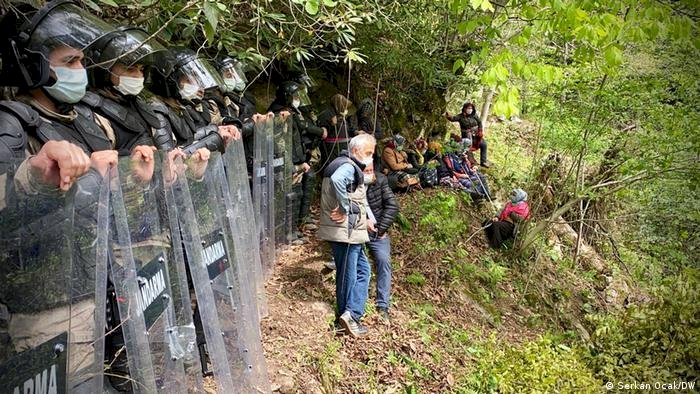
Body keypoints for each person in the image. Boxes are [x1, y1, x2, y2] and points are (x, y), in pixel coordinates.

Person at [318, 134, 377, 337]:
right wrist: (344, 207)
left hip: (349, 231)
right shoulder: (349, 166)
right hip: (347, 230)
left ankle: (351, 312)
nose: (370, 158)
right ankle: (346, 317)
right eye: (368, 153)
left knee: (363, 270)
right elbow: (337, 180)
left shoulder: (341, 162)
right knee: (348, 274)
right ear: (355, 150)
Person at [268, 81, 326, 239]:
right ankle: (289, 233)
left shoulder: (288, 112)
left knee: (296, 195)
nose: (296, 98)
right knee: (290, 198)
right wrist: (295, 164)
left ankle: (294, 229)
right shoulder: (278, 114)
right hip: (289, 163)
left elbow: (296, 136)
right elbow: (282, 143)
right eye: (293, 96)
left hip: (296, 160)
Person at [363, 162, 399, 321]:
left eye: (371, 170)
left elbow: (392, 206)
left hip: (378, 232)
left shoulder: (380, 180)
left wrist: (381, 229)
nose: (370, 174)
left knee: (384, 261)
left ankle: (383, 305)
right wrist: (362, 222)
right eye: (366, 171)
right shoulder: (351, 183)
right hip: (358, 230)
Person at [445, 102, 490, 168]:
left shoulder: (474, 115)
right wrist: (448, 115)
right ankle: (472, 163)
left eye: (471, 108)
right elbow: (453, 118)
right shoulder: (460, 116)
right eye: (468, 108)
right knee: (468, 149)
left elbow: (479, 122)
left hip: (476, 136)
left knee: (484, 144)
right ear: (465, 109)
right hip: (467, 136)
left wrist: (480, 131)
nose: (470, 110)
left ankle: (483, 162)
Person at [318, 93, 356, 168]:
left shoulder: (341, 115)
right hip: (331, 149)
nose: (345, 108)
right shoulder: (327, 113)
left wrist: (356, 132)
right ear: (338, 104)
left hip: (343, 148)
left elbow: (348, 130)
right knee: (332, 168)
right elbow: (322, 131)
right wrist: (331, 124)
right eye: (343, 105)